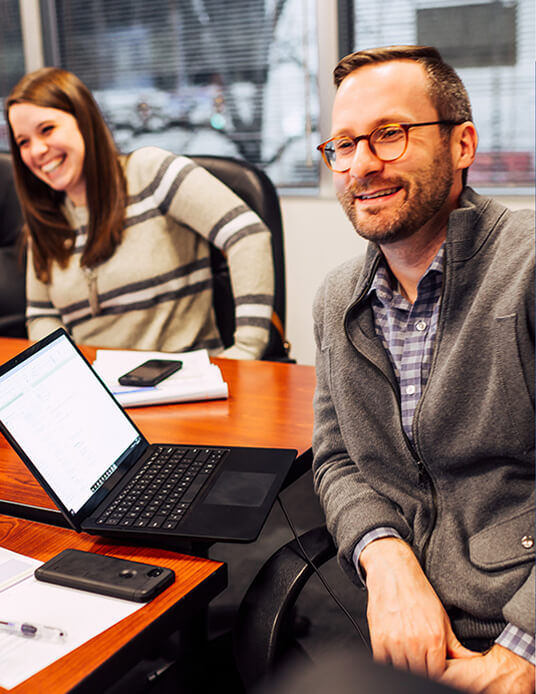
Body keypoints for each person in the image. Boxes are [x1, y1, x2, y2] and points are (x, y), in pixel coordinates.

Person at [313, 45, 534, 693]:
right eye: (344, 145)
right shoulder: (336, 300)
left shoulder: (524, 270)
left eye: (390, 134)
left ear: (461, 144)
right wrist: (385, 558)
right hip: (400, 619)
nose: (362, 165)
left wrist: (522, 654)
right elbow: (336, 460)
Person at [5, 67, 274, 359]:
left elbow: (247, 233)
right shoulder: (44, 223)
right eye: (23, 142)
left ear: (84, 121)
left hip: (185, 383)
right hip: (103, 391)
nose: (37, 150)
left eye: (47, 129)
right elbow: (42, 314)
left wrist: (248, 347)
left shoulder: (150, 172)